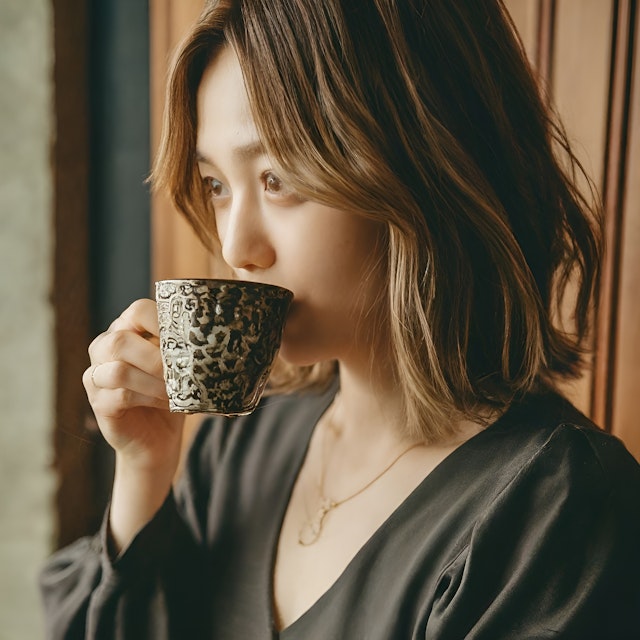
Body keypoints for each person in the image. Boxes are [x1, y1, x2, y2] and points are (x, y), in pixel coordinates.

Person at [41, 1, 640, 638]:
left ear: (423, 165)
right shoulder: (245, 435)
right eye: (216, 185)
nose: (238, 248)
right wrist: (143, 469)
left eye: (277, 178)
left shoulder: (558, 510)